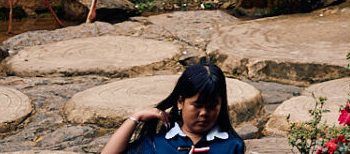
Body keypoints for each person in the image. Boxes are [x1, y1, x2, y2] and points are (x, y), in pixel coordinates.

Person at [102, 62, 244, 154]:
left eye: (212, 106)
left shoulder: (232, 146)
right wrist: (136, 117)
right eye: (197, 105)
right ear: (180, 102)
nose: (204, 113)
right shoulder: (156, 144)